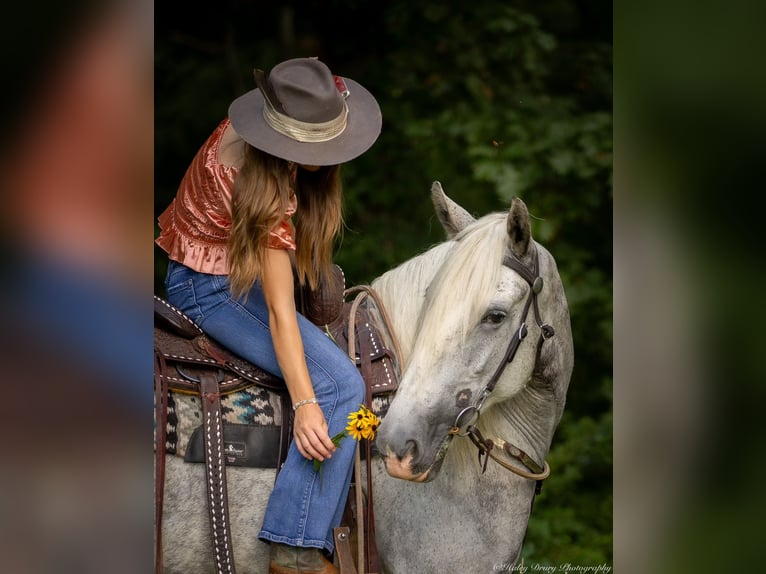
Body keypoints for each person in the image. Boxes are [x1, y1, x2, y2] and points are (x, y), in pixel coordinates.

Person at [155, 57, 382, 574]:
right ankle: (296, 546)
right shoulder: (267, 189)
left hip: (222, 269)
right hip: (209, 289)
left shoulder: (255, 131)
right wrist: (305, 402)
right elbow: (281, 314)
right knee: (342, 387)